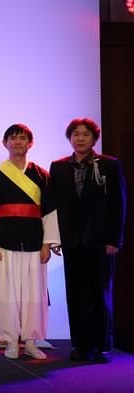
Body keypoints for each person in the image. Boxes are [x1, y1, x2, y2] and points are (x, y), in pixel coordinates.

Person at [49, 118, 127, 363]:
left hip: (101, 240)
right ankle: (80, 345)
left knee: (100, 293)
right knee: (75, 294)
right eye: (76, 134)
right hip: (71, 240)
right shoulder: (58, 167)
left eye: (85, 134)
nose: (80, 138)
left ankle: (102, 346)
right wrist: (54, 237)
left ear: (94, 138)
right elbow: (54, 204)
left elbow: (119, 203)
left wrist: (115, 239)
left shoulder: (109, 165)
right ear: (69, 138)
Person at [0, 124, 60, 360]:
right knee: (6, 294)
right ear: (5, 143)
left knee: (34, 295)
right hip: (4, 241)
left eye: (23, 138)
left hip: (34, 241)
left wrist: (47, 243)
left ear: (30, 143)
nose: (18, 142)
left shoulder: (41, 174)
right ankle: (10, 342)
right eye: (13, 138)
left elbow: (50, 211)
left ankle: (32, 341)